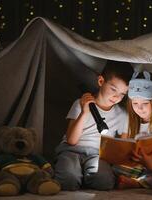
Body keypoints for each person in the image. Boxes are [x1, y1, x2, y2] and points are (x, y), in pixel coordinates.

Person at [53, 60, 134, 191]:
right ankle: (74, 173)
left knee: (104, 182)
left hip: (97, 155)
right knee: (68, 181)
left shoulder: (122, 115)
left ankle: (84, 174)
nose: (116, 97)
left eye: (122, 94)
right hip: (71, 150)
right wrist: (84, 113)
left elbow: (123, 146)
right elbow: (71, 140)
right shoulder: (80, 104)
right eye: (113, 89)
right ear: (101, 81)